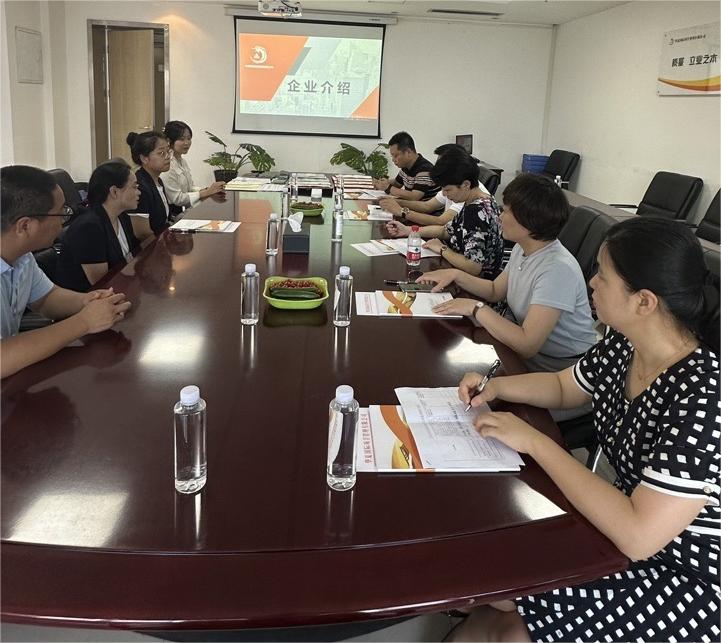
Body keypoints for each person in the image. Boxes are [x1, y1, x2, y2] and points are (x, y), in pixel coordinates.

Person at [447, 217, 720, 642]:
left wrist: (535, 441)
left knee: (509, 617)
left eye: (603, 275)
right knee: (497, 583)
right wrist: (495, 386)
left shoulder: (702, 395)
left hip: (685, 570)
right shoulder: (625, 343)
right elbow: (563, 386)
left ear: (644, 302)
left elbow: (640, 536)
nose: (591, 282)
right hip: (622, 519)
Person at [419, 173, 597, 393]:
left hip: (558, 371)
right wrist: (455, 274)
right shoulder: (523, 247)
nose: (499, 217)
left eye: (505, 211)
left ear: (528, 221)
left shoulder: (557, 270)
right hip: (522, 354)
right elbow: (496, 290)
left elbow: (527, 344)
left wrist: (476, 308)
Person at [0, 165, 131, 378]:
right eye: (62, 213)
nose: (65, 221)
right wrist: (84, 322)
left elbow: (46, 298)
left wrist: (88, 301)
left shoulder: (22, 257)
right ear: (25, 226)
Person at [385, 153, 504, 279]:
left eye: (447, 190)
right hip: (459, 271)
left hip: (474, 282)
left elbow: (473, 267)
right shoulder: (480, 199)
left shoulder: (476, 211)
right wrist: (409, 230)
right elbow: (446, 230)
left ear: (466, 185)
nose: (444, 194)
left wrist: (442, 249)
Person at [56, 161, 153, 292]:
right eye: (134, 187)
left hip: (121, 287)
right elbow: (102, 283)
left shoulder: (121, 216)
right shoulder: (89, 228)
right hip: (89, 298)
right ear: (114, 192)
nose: (139, 192)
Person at [379, 145, 491, 227]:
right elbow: (427, 206)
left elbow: (441, 222)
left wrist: (401, 211)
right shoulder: (451, 184)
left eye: (441, 163)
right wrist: (395, 202)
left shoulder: (467, 194)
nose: (437, 167)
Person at [161, 120, 225, 216]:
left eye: (189, 138)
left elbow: (190, 188)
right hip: (173, 216)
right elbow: (177, 199)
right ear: (169, 141)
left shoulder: (182, 161)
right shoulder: (167, 165)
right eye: (182, 139)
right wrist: (206, 192)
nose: (187, 143)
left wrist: (209, 190)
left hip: (185, 211)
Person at [127, 130, 172, 234]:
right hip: (151, 243)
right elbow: (142, 233)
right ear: (144, 158)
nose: (168, 157)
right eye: (161, 153)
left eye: (168, 151)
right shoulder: (139, 186)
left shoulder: (158, 181)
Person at [372, 131, 439, 201]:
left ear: (408, 152)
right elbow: (397, 183)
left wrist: (388, 187)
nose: (393, 160)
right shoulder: (406, 166)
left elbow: (414, 196)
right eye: (392, 156)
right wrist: (381, 182)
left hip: (422, 207)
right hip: (410, 206)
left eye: (396, 156)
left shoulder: (425, 169)